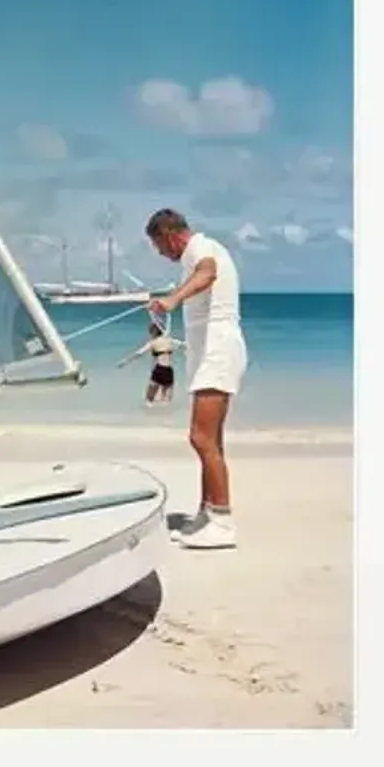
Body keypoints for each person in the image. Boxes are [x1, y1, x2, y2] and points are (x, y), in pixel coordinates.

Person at [145, 208, 247, 550]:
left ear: (170, 235)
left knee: (200, 438)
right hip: (212, 354)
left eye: (159, 246)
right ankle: (207, 514)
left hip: (218, 353)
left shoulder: (201, 250)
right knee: (211, 441)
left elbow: (208, 273)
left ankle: (222, 521)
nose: (161, 254)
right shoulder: (196, 253)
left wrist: (173, 299)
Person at [117, 319, 184, 406]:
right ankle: (166, 418)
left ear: (154, 331)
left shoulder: (153, 343)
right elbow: (184, 345)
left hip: (159, 369)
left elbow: (139, 354)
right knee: (166, 401)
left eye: (150, 331)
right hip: (169, 370)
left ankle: (149, 416)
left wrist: (125, 361)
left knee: (149, 400)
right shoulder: (170, 341)